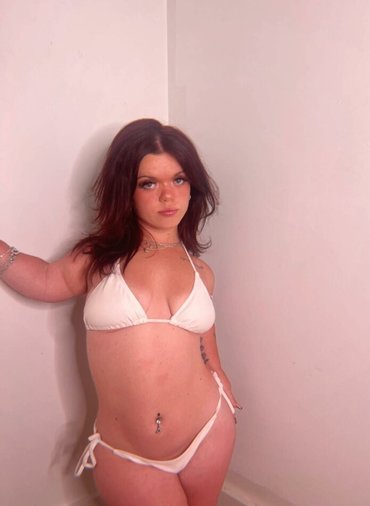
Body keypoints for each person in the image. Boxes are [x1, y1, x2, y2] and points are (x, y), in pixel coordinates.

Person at [0, 118, 240, 506]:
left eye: (179, 179)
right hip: (129, 454)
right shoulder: (98, 259)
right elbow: (44, 280)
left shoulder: (201, 271)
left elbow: (203, 334)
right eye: (149, 183)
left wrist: (220, 374)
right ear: (125, 189)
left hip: (209, 430)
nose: (168, 196)